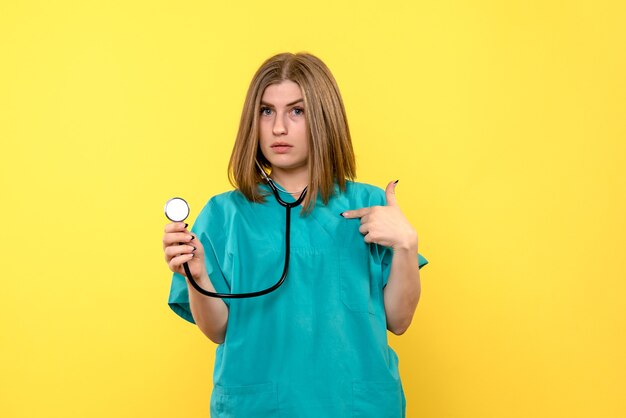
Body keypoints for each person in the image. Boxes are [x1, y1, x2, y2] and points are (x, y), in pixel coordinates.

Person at [163, 52, 429, 417]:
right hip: (258, 407)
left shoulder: (370, 205)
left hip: (355, 406)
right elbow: (218, 330)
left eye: (297, 111)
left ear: (323, 117)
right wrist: (196, 275)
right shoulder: (224, 214)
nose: (279, 129)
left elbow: (399, 320)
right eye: (266, 111)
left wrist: (406, 245)